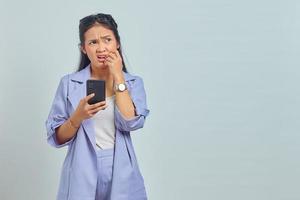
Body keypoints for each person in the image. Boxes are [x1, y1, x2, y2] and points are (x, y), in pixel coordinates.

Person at [45, 13, 150, 200]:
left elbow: (131, 122)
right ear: (83, 49)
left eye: (107, 40)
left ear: (117, 43)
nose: (101, 48)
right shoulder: (69, 83)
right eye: (93, 42)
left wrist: (118, 76)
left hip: (121, 168)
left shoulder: (133, 83)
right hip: (81, 169)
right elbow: (57, 137)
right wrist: (77, 117)